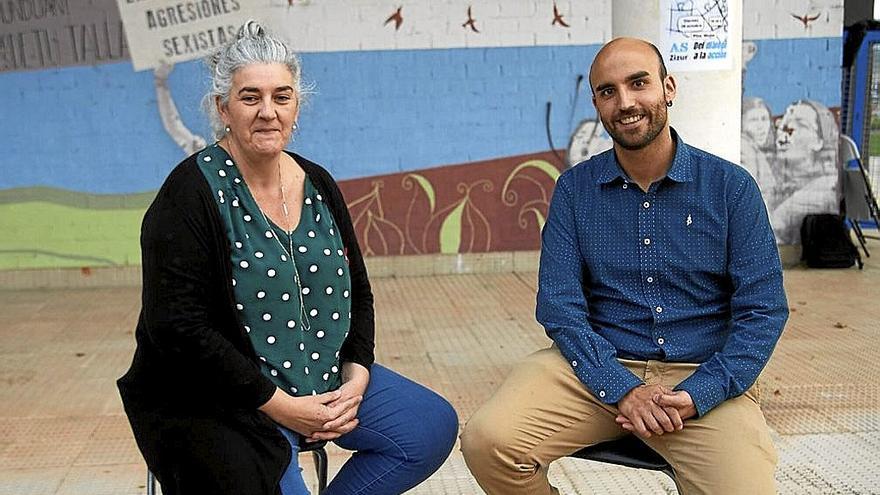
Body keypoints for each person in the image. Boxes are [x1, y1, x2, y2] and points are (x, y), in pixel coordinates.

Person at [118, 21, 458, 495]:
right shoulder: (189, 195)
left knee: (428, 427)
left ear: (297, 105)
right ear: (223, 108)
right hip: (223, 394)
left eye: (281, 96)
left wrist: (356, 375)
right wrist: (277, 404)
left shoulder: (318, 183)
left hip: (322, 375)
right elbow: (177, 327)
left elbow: (357, 289)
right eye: (250, 97)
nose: (267, 112)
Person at [461, 37, 788, 494]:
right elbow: (559, 306)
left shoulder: (731, 188)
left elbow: (764, 309)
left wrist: (702, 393)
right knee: (488, 442)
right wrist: (620, 387)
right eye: (608, 91)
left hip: (700, 374)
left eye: (639, 83)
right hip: (594, 368)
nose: (626, 102)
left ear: (668, 88)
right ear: (596, 102)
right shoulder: (576, 190)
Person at [771, 99, 841, 244]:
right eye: (783, 122)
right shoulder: (774, 181)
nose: (787, 129)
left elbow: (774, 224)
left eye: (801, 124)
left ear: (819, 142)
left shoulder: (825, 186)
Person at [741, 96, 779, 206]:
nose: (760, 126)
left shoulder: (756, 150)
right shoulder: (746, 148)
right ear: (742, 122)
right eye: (753, 120)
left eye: (764, 119)